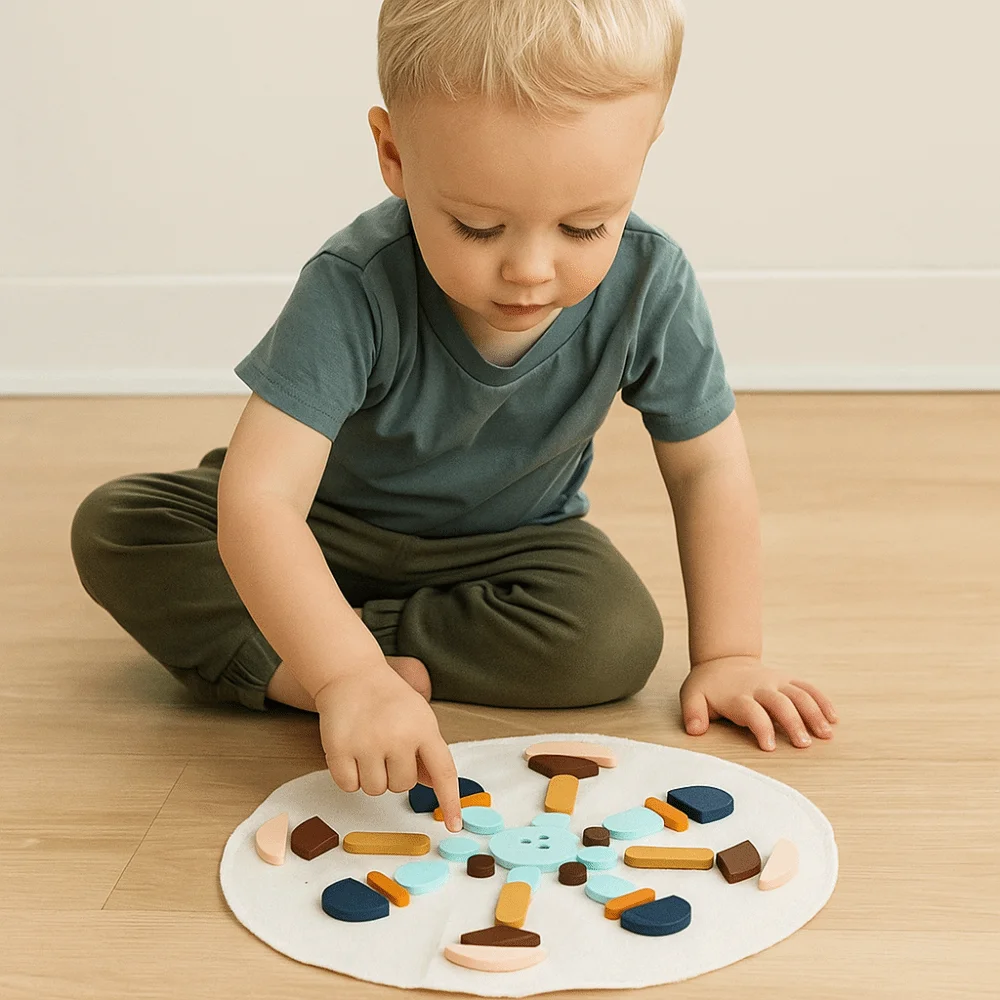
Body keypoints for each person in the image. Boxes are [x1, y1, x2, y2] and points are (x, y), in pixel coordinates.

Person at [70, 0, 837, 832]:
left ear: (645, 153)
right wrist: (345, 679)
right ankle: (321, 666)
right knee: (118, 528)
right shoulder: (354, 284)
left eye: (587, 226)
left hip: (507, 545)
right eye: (477, 226)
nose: (531, 270)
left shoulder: (653, 282)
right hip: (320, 527)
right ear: (395, 156)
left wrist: (729, 655)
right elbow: (260, 502)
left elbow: (707, 466)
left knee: (611, 636)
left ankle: (330, 640)